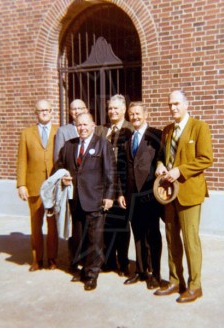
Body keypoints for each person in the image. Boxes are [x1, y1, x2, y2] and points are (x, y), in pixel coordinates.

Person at [154, 90, 213, 303]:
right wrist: (160, 166)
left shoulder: (199, 127)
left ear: (186, 105)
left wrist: (180, 171)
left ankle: (195, 286)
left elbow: (206, 158)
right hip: (169, 193)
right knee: (171, 238)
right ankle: (175, 280)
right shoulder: (167, 130)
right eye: (170, 104)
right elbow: (162, 156)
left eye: (177, 104)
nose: (173, 108)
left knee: (190, 240)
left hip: (189, 193)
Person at [55, 113, 116, 291]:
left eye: (85, 124)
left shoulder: (102, 143)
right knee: (79, 238)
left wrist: (109, 196)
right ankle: (83, 268)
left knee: (95, 239)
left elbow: (110, 172)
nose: (82, 128)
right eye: (79, 125)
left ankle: (92, 275)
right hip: (76, 200)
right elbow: (59, 166)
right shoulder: (69, 145)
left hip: (96, 199)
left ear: (93, 125)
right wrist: (63, 177)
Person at [118, 101, 163, 289]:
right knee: (137, 233)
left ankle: (155, 273)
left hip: (150, 194)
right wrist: (121, 193)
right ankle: (141, 270)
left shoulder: (156, 135)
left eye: (138, 113)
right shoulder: (128, 139)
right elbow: (123, 168)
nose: (134, 117)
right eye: (132, 114)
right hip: (132, 195)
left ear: (146, 114)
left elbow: (162, 159)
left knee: (152, 234)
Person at [17, 99, 58, 271]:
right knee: (35, 224)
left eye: (47, 110)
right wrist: (21, 184)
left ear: (51, 111)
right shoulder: (26, 133)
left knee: (52, 224)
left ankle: (52, 258)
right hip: (33, 185)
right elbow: (22, 161)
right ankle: (37, 259)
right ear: (36, 113)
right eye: (40, 110)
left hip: (53, 186)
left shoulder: (59, 131)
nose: (44, 113)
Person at [95, 94, 133, 276]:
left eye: (116, 108)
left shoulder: (131, 129)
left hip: (123, 185)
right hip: (104, 185)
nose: (112, 111)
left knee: (122, 225)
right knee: (107, 224)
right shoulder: (100, 130)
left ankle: (123, 262)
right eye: (110, 108)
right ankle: (109, 260)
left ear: (124, 110)